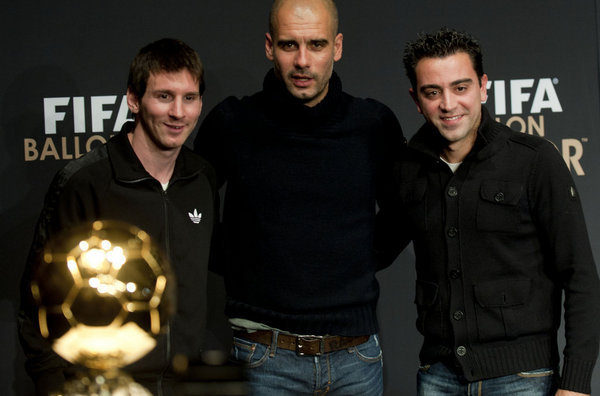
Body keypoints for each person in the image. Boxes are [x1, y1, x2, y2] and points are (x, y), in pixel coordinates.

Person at [193, 0, 404, 394]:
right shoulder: (232, 123)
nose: (303, 61)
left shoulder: (373, 125)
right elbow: (191, 213)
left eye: (317, 45)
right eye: (290, 45)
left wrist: (355, 260)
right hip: (262, 357)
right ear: (270, 46)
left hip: (355, 357)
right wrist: (245, 264)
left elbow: (402, 215)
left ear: (337, 48)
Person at [386, 27, 600, 395]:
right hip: (437, 377)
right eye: (432, 92)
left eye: (460, 87)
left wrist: (576, 384)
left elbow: (579, 276)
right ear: (416, 99)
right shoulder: (407, 169)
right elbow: (371, 250)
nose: (448, 104)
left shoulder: (534, 160)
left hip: (522, 379)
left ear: (484, 86)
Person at [18, 38, 217, 396]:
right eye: (164, 96)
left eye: (190, 98)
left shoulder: (201, 179)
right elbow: (38, 304)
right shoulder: (87, 181)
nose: (178, 113)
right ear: (133, 100)